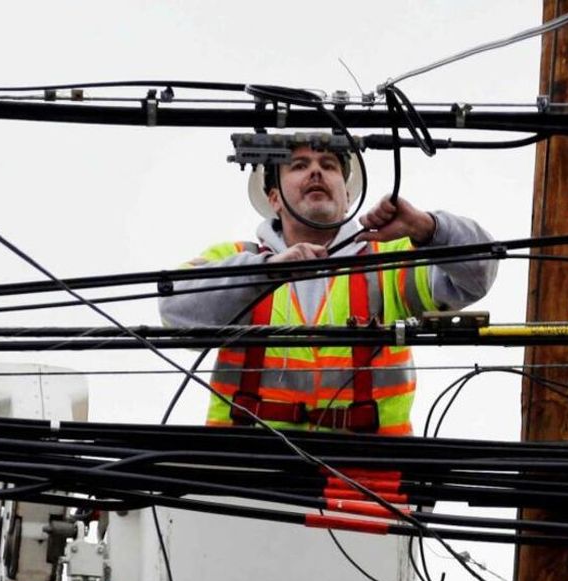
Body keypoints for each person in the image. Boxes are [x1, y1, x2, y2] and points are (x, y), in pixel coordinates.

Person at [159, 134, 497, 435]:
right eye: (299, 165)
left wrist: (428, 228)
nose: (316, 172)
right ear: (274, 198)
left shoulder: (389, 261)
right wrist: (267, 270)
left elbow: (479, 274)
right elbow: (175, 314)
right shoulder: (236, 258)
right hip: (249, 480)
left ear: (347, 196)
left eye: (329, 164)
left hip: (369, 483)